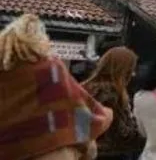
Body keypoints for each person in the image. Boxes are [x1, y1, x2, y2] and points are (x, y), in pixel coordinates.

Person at [0, 13, 113, 160]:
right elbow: (76, 106)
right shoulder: (51, 69)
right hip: (53, 152)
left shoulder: (5, 75)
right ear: (39, 41)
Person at [82, 47, 144, 160]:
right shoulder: (111, 94)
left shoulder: (85, 88)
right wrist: (147, 136)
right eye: (131, 70)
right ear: (123, 70)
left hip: (86, 151)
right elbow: (121, 133)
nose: (133, 74)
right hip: (109, 153)